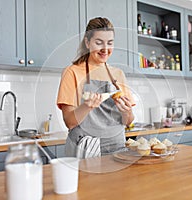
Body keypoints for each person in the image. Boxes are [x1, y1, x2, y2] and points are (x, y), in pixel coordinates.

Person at [56, 17, 135, 157]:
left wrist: (126, 111)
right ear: (87, 42)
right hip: (85, 151)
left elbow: (128, 121)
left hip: (117, 150)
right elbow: (69, 122)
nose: (105, 49)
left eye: (110, 43)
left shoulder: (118, 74)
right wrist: (87, 106)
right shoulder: (72, 72)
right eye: (99, 43)